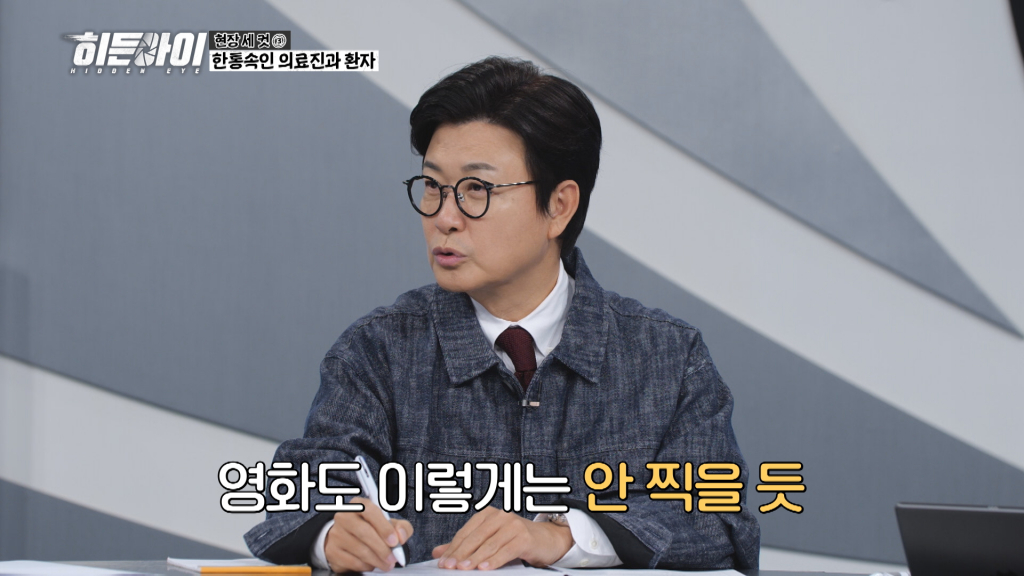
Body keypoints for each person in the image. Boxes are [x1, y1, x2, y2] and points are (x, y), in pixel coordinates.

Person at [244, 56, 760, 571]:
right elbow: (303, 489)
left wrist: (564, 536)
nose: (444, 218)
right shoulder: (380, 350)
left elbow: (718, 517)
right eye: (433, 186)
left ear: (559, 206)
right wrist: (333, 534)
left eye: (477, 190)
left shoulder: (668, 356)